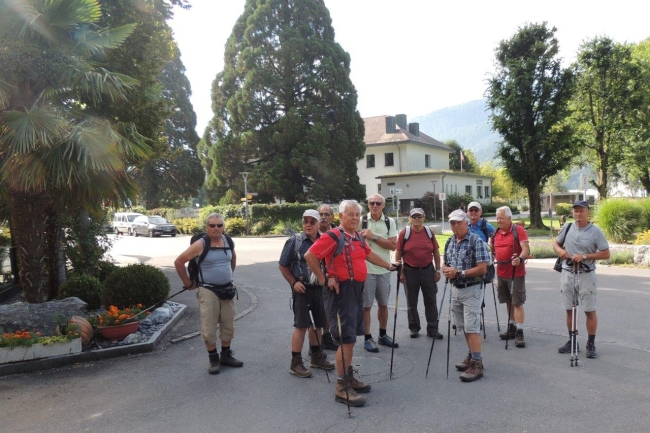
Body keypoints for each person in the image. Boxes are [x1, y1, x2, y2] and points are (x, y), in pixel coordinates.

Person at [305, 200, 398, 407]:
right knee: (345, 340)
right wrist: (324, 278)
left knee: (351, 337)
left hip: (356, 289)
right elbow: (310, 255)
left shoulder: (356, 236)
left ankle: (348, 377)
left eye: (357, 214)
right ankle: (341, 386)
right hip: (341, 293)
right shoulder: (333, 236)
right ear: (341, 217)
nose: (355, 218)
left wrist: (389, 265)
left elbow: (368, 254)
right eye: (350, 214)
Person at [174, 213, 243, 375]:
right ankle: (213, 359)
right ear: (207, 227)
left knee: (228, 325)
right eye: (212, 225)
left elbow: (232, 257)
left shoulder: (228, 241)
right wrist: (188, 283)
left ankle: (226, 355)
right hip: (208, 290)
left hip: (227, 289)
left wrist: (229, 275)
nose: (216, 228)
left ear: (223, 227)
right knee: (209, 328)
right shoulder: (200, 244)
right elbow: (178, 262)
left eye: (219, 225)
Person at [279, 210, 335, 378]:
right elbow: (283, 265)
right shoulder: (294, 241)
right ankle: (295, 363)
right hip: (301, 289)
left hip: (319, 288)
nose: (308, 224)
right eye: (305, 221)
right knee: (301, 326)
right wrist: (293, 282)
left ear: (319, 223)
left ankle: (316, 356)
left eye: (312, 221)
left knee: (320, 324)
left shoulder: (325, 240)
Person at [553, 200, 610, 359]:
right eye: (576, 211)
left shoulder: (596, 231)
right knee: (569, 309)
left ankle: (590, 344)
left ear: (588, 212)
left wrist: (584, 256)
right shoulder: (568, 227)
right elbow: (556, 244)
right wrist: (560, 252)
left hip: (586, 274)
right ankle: (572, 341)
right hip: (567, 272)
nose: (578, 214)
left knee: (589, 310)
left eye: (581, 211)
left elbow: (606, 253)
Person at [442, 209, 489, 382]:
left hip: (472, 289)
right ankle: (471, 355)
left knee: (472, 327)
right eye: (452, 223)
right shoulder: (450, 241)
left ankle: (477, 363)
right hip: (456, 289)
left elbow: (483, 268)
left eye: (458, 222)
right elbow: (446, 262)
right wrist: (446, 269)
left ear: (466, 222)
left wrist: (459, 273)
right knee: (463, 326)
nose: (455, 226)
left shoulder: (476, 241)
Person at [394, 207, 443, 339]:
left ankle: (432, 329)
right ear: (409, 219)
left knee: (431, 301)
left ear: (423, 218)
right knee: (412, 302)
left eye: (419, 217)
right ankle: (414, 328)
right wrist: (401, 271)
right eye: (414, 217)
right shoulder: (405, 233)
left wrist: (438, 270)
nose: (417, 219)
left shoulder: (428, 232)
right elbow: (398, 252)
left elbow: (436, 252)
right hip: (410, 271)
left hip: (428, 270)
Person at [359, 194, 398, 352]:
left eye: (378, 203)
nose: (374, 205)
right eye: (371, 203)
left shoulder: (390, 221)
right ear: (368, 205)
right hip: (366, 270)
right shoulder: (361, 220)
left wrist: (373, 236)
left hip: (384, 269)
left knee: (383, 304)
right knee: (366, 306)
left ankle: (382, 335)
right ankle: (367, 338)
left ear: (383, 205)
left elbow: (393, 246)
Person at [493, 206, 530, 347]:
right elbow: (493, 251)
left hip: (516, 273)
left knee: (517, 303)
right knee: (508, 302)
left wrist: (519, 259)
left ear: (509, 218)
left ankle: (520, 332)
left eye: (501, 218)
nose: (499, 220)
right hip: (501, 273)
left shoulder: (518, 230)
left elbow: (526, 249)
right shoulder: (496, 232)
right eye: (497, 218)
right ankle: (512, 327)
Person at [317, 204, 339, 350]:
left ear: (332, 217)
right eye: (321, 214)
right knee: (317, 310)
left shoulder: (337, 234)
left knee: (329, 309)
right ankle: (317, 345)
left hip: (333, 278)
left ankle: (327, 337)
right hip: (315, 278)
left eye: (326, 214)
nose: (323, 217)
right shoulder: (312, 234)